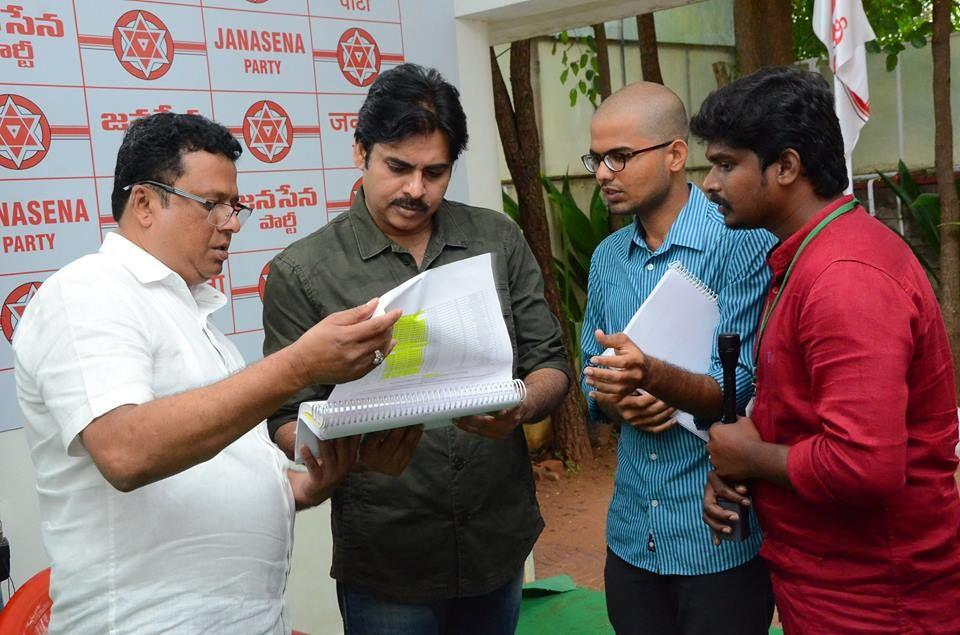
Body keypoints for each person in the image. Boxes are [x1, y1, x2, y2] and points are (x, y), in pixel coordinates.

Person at [12, 112, 418, 634]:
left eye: (235, 206)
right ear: (144, 203)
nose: (230, 223)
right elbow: (124, 451)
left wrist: (311, 485)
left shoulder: (202, 327)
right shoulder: (88, 293)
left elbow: (221, 484)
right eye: (213, 205)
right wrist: (298, 365)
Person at [261, 62, 570, 634]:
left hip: (495, 539)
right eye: (397, 167)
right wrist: (333, 452)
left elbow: (550, 362)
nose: (414, 189)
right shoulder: (301, 272)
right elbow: (285, 416)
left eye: (435, 172)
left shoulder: (495, 239)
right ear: (361, 151)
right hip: (387, 556)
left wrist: (520, 405)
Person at [693, 66, 960, 633]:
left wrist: (750, 458)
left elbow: (864, 465)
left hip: (876, 599)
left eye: (725, 164)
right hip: (826, 579)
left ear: (786, 167)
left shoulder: (844, 278)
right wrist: (748, 464)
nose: (710, 184)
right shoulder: (812, 255)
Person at [578, 81, 776, 635]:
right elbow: (591, 376)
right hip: (631, 537)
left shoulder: (739, 240)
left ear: (674, 155)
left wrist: (656, 380)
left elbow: (741, 384)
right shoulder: (608, 259)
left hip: (716, 536)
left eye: (620, 156)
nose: (602, 174)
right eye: (597, 158)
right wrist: (617, 401)